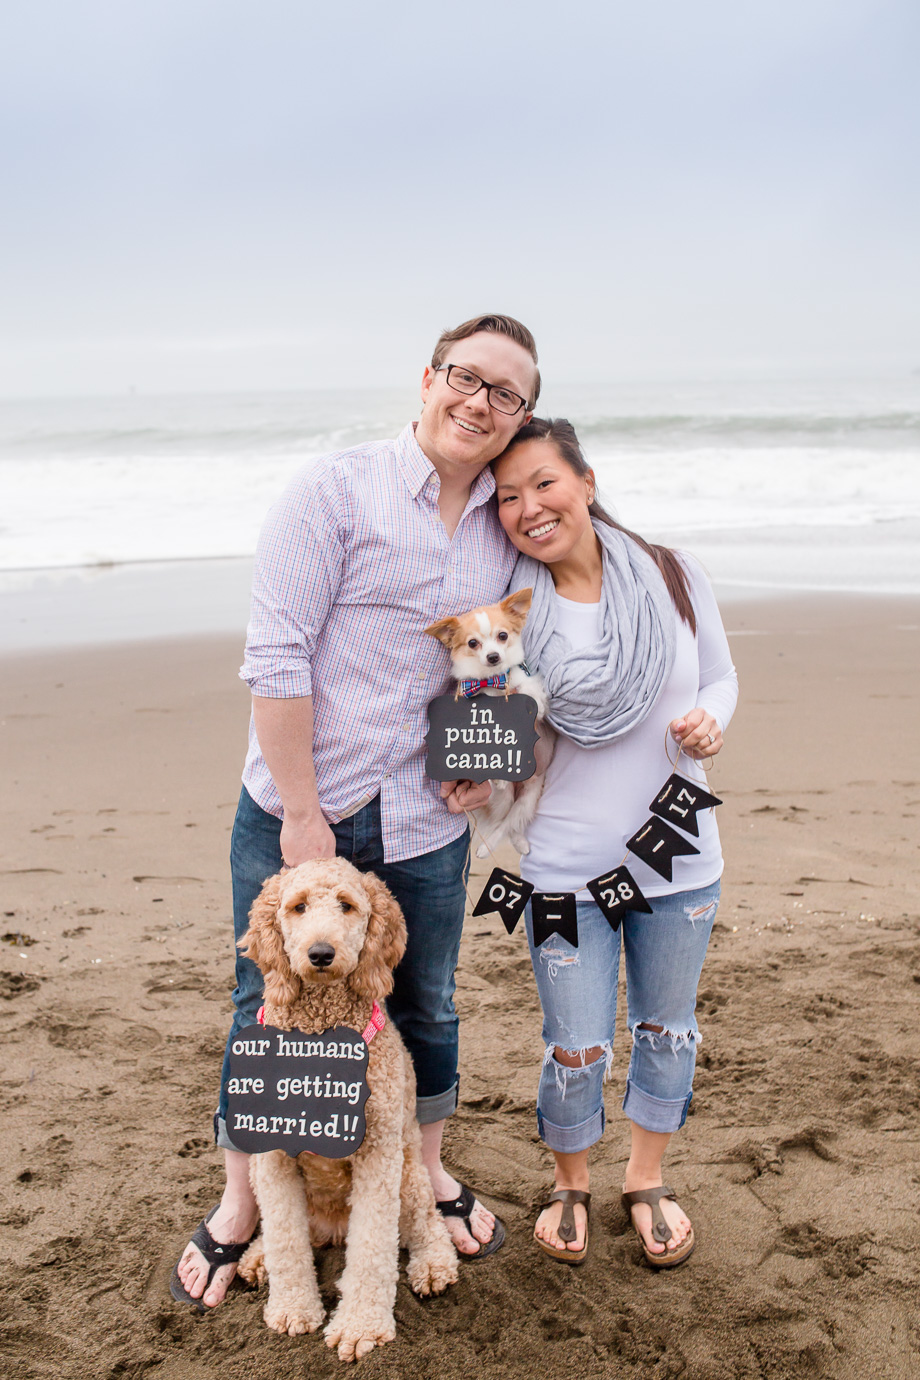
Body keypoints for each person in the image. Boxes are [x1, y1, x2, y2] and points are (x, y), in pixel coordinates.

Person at [174, 314, 540, 1307]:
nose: (480, 403)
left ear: (520, 417)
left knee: (420, 1004)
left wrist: (482, 768)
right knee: (269, 1004)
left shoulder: (506, 528)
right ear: (427, 379)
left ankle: (421, 1176)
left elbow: (493, 664)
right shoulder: (331, 489)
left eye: (506, 394)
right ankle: (242, 1199)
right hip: (303, 808)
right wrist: (302, 816)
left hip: (423, 820)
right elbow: (276, 658)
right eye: (467, 378)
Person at [491, 417, 738, 1267]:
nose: (528, 507)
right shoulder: (513, 615)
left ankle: (643, 1177)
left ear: (586, 483)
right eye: (508, 497)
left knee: (668, 1029)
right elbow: (492, 737)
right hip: (564, 868)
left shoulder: (672, 574)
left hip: (678, 857)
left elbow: (718, 675)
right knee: (575, 1043)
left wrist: (713, 721)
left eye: (544, 484)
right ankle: (571, 1180)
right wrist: (478, 770)